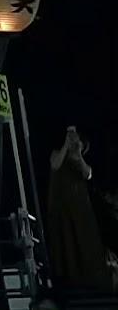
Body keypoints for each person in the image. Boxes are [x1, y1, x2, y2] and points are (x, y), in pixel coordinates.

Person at [47, 125, 111, 293]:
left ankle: (92, 283)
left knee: (85, 244)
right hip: (63, 210)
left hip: (80, 210)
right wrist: (66, 145)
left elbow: (88, 173)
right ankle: (68, 284)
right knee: (66, 245)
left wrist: (78, 155)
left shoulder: (80, 161)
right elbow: (55, 164)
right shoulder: (57, 154)